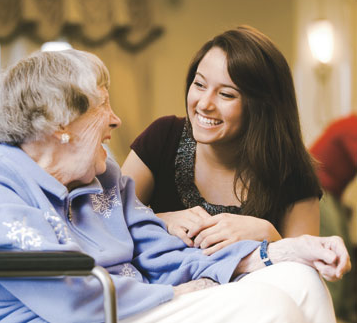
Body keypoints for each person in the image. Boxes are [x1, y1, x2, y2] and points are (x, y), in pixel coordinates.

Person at [0, 49, 350, 323]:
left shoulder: (106, 179)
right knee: (266, 305)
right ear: (58, 125)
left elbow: (166, 253)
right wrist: (178, 296)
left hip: (138, 306)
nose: (116, 120)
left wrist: (277, 252)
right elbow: (70, 296)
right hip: (77, 316)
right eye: (102, 106)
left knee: (299, 280)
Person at [122, 25, 321, 254]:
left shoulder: (293, 172)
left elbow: (305, 277)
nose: (204, 104)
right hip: (166, 289)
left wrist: (270, 236)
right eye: (199, 84)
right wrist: (160, 220)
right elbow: (103, 225)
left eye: (226, 94)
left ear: (262, 108)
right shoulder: (163, 137)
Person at [309, 114, 357, 320]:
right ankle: (331, 314)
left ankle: (346, 313)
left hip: (333, 193)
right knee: (334, 253)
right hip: (317, 189)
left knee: (346, 251)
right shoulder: (352, 126)